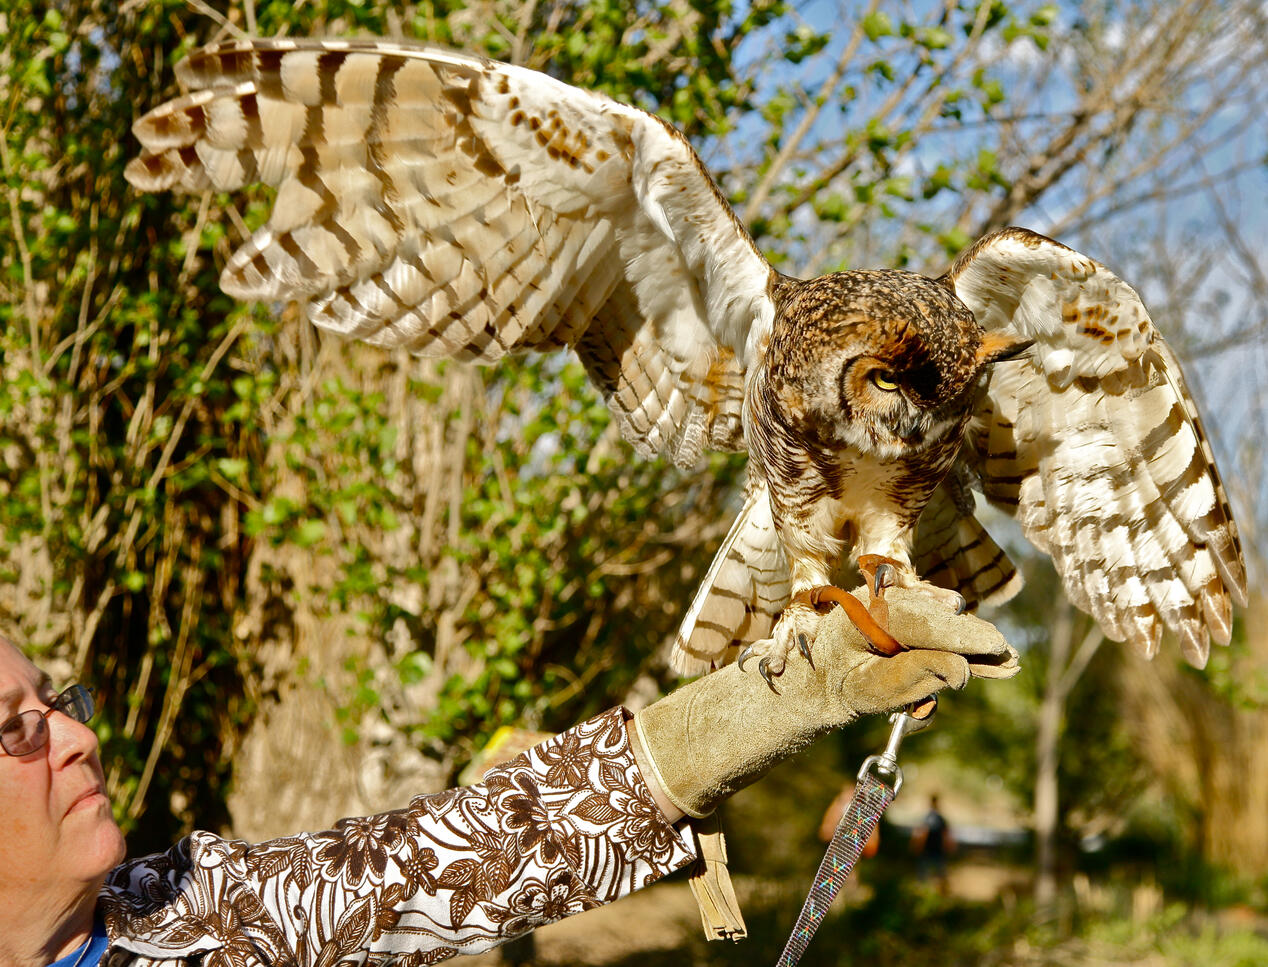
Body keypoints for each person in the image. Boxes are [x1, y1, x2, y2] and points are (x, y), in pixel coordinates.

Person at [0, 589, 1017, 967]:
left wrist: (785, 693)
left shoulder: (205, 912)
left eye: (58, 703)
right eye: (16, 731)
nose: (77, 739)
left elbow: (470, 849)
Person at [911, 793, 956, 893]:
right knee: (936, 875)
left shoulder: (929, 817)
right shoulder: (938, 818)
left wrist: (917, 846)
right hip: (934, 851)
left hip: (931, 851)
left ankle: (926, 894)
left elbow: (922, 833)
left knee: (927, 876)